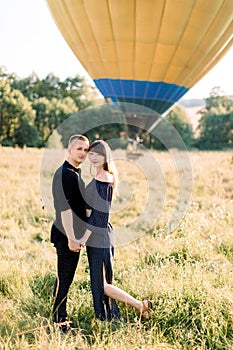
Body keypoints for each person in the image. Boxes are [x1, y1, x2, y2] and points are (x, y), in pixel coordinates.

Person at [77, 140, 152, 321]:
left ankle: (140, 305)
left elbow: (99, 216)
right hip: (98, 235)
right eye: (91, 154)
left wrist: (83, 237)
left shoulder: (104, 178)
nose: (93, 157)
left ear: (105, 157)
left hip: (99, 234)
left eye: (98, 154)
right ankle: (111, 314)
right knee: (100, 282)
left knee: (101, 284)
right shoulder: (100, 176)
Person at [50, 134, 89, 334]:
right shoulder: (65, 173)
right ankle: (60, 323)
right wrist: (72, 238)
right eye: (79, 149)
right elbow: (65, 210)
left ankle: (58, 317)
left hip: (72, 234)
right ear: (69, 150)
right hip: (67, 235)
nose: (83, 153)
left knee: (64, 277)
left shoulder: (74, 173)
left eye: (86, 150)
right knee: (65, 277)